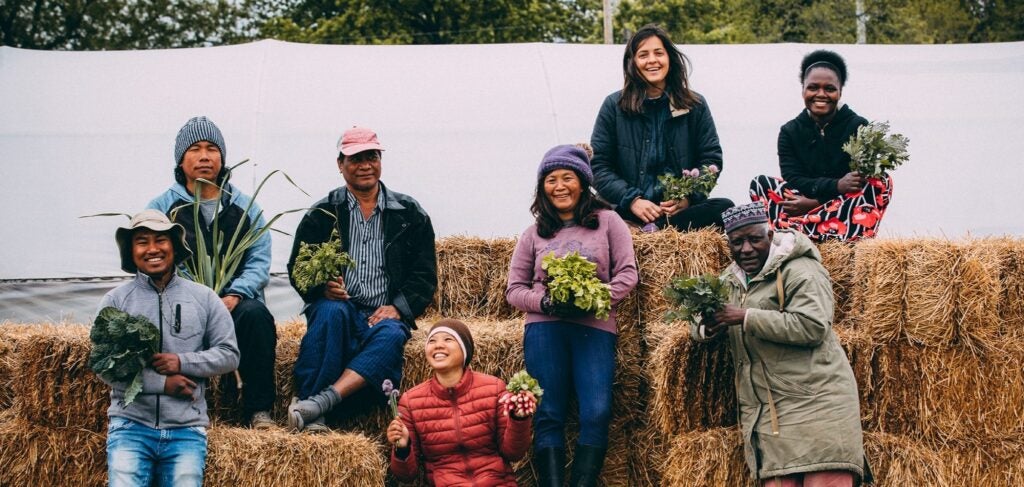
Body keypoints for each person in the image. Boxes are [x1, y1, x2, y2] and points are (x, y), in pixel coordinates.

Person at [696, 202, 871, 486]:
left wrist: (745, 316)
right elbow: (699, 319)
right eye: (737, 242)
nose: (746, 249)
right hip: (768, 412)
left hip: (816, 403)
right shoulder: (731, 279)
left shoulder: (801, 270)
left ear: (770, 233)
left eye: (754, 239)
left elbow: (812, 326)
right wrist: (708, 325)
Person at [286, 126, 437, 433]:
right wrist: (321, 287)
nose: (366, 165)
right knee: (331, 314)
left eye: (372, 156)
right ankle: (312, 410)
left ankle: (319, 404)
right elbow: (297, 268)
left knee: (392, 336)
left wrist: (397, 307)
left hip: (382, 311)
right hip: (341, 304)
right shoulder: (322, 213)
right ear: (340, 164)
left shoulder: (409, 213)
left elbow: (424, 274)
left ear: (380, 160)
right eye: (356, 159)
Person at [505, 145, 639, 487]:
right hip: (545, 329)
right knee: (548, 413)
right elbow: (515, 289)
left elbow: (627, 275)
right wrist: (546, 303)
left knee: (597, 411)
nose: (559, 186)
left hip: (594, 328)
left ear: (583, 183)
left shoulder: (608, 222)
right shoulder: (534, 233)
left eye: (568, 177)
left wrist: (595, 298)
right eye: (551, 179)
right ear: (542, 187)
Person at [147, 116, 277, 429]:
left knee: (257, 316)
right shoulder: (163, 208)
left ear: (222, 157)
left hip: (234, 303)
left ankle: (259, 411)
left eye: (212, 149)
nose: (205, 156)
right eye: (195, 149)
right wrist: (199, 297)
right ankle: (183, 410)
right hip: (184, 302)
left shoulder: (244, 206)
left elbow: (259, 260)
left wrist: (235, 294)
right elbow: (154, 260)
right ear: (181, 159)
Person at [99, 210, 240, 486]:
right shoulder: (116, 301)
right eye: (142, 241)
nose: (152, 249)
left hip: (186, 429)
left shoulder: (204, 298)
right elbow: (105, 367)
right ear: (131, 250)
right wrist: (162, 384)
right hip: (130, 427)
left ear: (175, 245)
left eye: (160, 240)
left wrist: (181, 361)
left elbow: (229, 355)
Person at [590, 23, 734, 231]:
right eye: (643, 55)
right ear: (632, 63)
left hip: (675, 215)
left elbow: (711, 160)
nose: (652, 61)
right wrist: (632, 200)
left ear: (669, 58)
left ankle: (653, 229)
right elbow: (598, 166)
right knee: (591, 213)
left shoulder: (694, 105)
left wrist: (687, 198)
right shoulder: (614, 106)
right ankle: (635, 227)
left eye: (659, 53)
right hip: (625, 209)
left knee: (725, 208)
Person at [749, 50, 893, 241]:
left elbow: (857, 183)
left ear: (840, 92)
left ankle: (807, 234)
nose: (821, 94)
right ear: (803, 90)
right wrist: (834, 186)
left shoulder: (858, 126)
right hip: (805, 200)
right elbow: (793, 178)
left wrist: (815, 202)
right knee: (760, 184)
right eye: (813, 87)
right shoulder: (790, 131)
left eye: (830, 89)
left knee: (879, 181)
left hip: (842, 206)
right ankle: (804, 233)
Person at [387, 319, 533, 486]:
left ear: (464, 350)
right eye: (432, 341)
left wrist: (519, 419)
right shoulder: (411, 401)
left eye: (448, 339)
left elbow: (514, 453)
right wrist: (403, 447)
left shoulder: (494, 388)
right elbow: (406, 475)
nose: (438, 345)